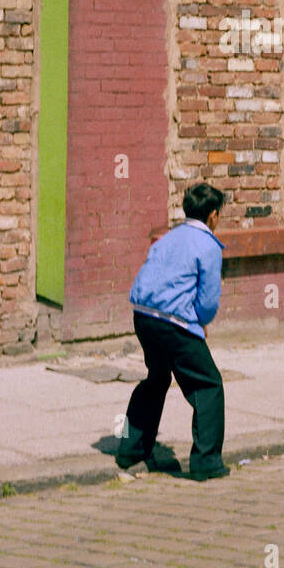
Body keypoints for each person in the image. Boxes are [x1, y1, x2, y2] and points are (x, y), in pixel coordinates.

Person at [116, 181, 230, 481]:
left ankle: (130, 448)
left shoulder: (168, 238)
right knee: (208, 385)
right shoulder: (208, 245)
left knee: (156, 379)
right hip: (175, 322)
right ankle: (207, 462)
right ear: (214, 215)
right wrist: (201, 324)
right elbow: (207, 301)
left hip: (144, 317)